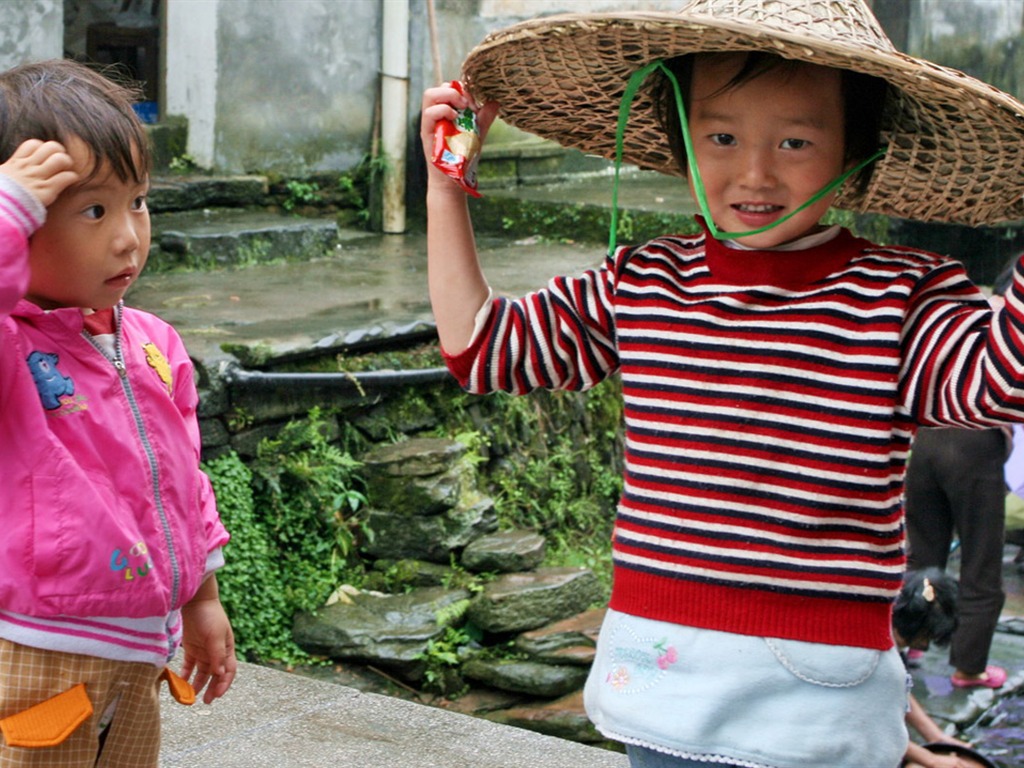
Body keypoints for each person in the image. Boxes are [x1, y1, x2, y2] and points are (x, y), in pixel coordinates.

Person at [420, 0, 1024, 766]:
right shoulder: (643, 281)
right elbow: (484, 348)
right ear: (681, 141)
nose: (756, 172)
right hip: (661, 686)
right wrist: (445, 189)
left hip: (816, 700)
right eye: (723, 136)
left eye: (796, 141)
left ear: (854, 154)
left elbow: (1002, 379)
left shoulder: (901, 295)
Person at [0, 59, 235, 766]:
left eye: (137, 201)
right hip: (40, 643)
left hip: (140, 643)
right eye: (93, 211)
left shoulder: (152, 344)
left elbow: (183, 482)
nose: (129, 236)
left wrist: (201, 599)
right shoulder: (13, 352)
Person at [904, 425, 1010, 689]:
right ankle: (969, 668)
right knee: (981, 562)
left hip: (926, 441)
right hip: (978, 442)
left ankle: (909, 639)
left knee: (921, 557)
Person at [893, 569, 979, 768]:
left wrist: (937, 737)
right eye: (925, 637)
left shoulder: (895, 643)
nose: (923, 646)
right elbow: (866, 727)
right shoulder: (869, 654)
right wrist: (931, 760)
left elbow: (895, 690)